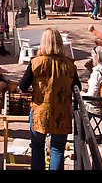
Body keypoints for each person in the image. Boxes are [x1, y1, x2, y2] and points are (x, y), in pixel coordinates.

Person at [19, 28, 81, 170]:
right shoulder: (69, 65)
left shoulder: (36, 62)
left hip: (40, 111)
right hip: (62, 112)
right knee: (58, 149)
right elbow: (77, 87)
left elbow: (22, 86)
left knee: (37, 146)